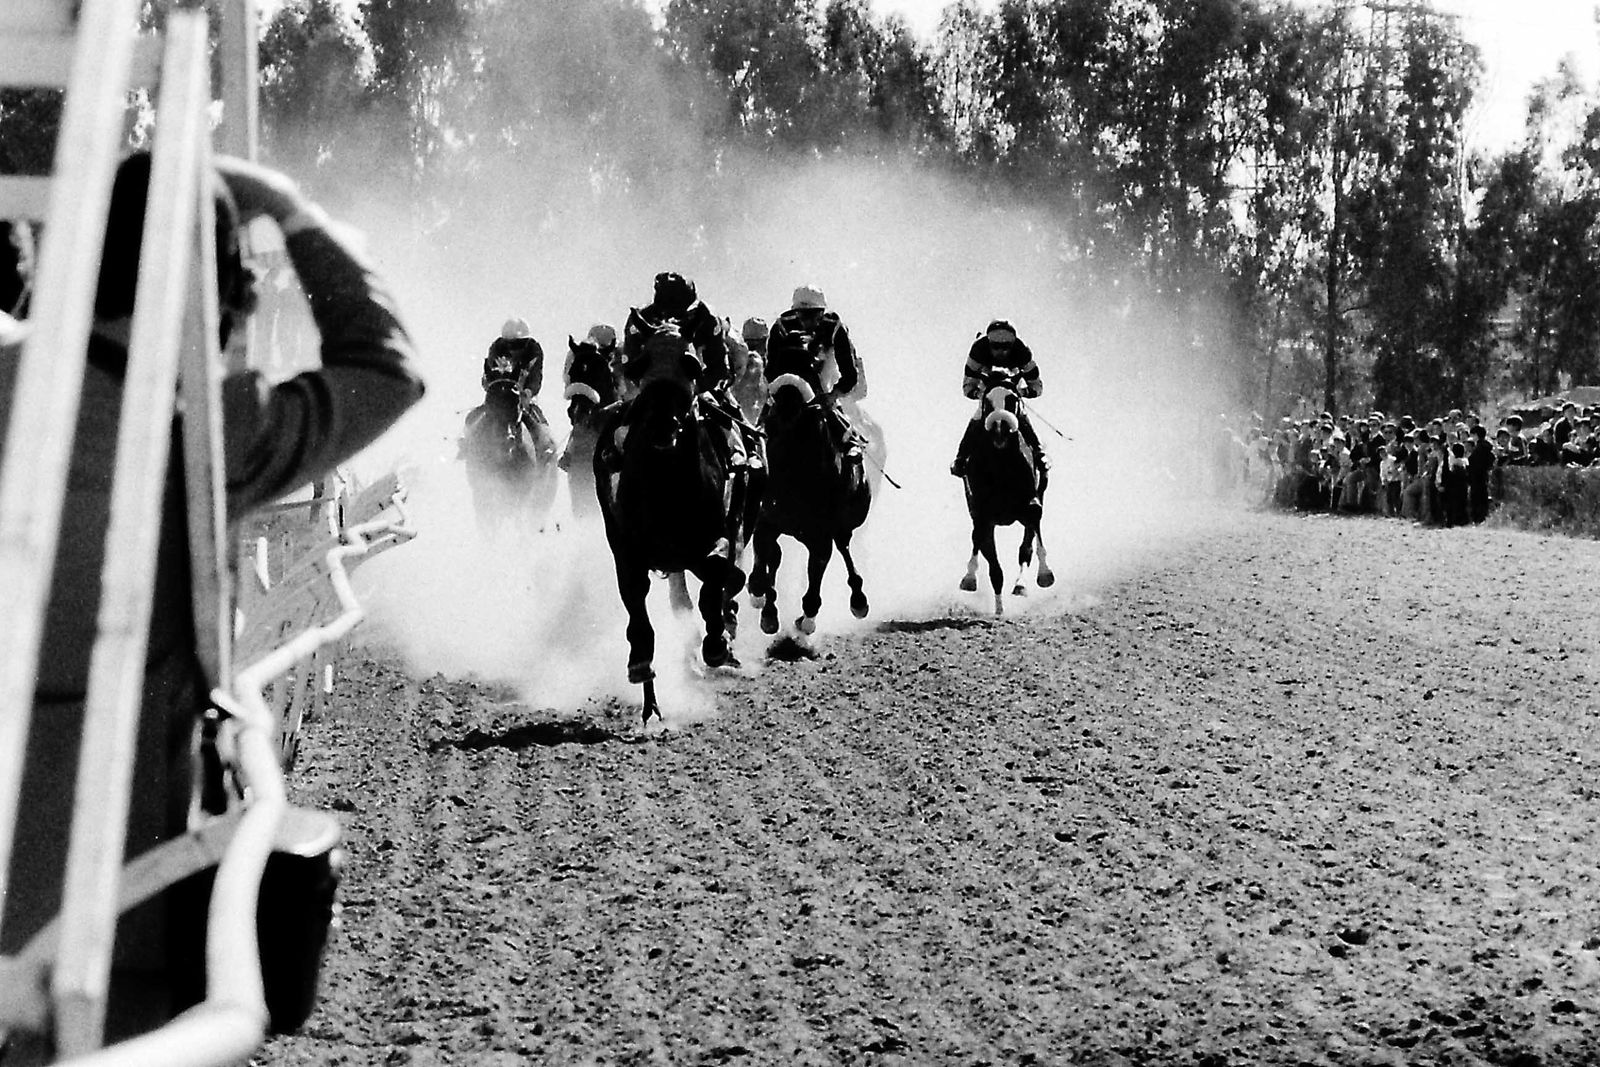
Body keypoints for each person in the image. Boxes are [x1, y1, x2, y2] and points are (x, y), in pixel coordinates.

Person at [0, 151, 424, 1048]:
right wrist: (296, 211)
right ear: (227, 297)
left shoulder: (11, 376)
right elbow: (387, 370)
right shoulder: (207, 429)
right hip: (115, 920)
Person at [613, 271, 759, 472]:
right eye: (667, 310)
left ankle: (742, 453)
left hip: (698, 386)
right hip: (650, 388)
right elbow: (630, 363)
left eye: (679, 311)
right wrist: (647, 386)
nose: (672, 317)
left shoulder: (707, 319)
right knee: (620, 422)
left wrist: (698, 387)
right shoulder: (641, 320)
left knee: (729, 416)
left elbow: (719, 366)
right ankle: (612, 461)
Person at [764, 285, 864, 460]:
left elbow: (850, 374)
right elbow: (770, 369)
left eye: (814, 314)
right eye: (803, 315)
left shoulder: (835, 327)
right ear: (795, 312)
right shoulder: (781, 327)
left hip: (823, 376)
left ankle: (849, 440)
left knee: (825, 399)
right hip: (788, 377)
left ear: (822, 312)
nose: (808, 321)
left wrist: (833, 395)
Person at [949, 319, 1045, 477]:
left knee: (1020, 414)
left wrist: (1023, 392)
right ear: (989, 342)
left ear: (1013, 344)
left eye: (1006, 347)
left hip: (1011, 392)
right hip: (988, 392)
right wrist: (979, 393)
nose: (1001, 352)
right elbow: (967, 386)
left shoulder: (1022, 352)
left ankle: (1039, 453)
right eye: (996, 346)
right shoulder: (978, 350)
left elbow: (1037, 387)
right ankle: (961, 458)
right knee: (979, 415)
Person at [481, 315, 556, 461]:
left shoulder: (534, 349)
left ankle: (546, 451)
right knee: (475, 419)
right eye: (509, 344)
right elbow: (489, 371)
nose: (513, 349)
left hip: (524, 397)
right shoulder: (496, 347)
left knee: (540, 426)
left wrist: (529, 391)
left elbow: (536, 374)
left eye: (517, 345)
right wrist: (492, 386)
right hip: (497, 396)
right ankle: (468, 444)